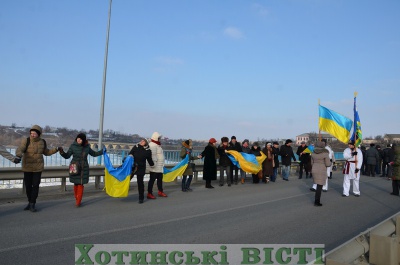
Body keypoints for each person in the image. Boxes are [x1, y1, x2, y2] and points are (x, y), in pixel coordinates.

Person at [15, 125, 59, 212]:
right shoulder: (26, 140)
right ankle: (29, 202)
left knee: (35, 186)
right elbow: (20, 149)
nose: (32, 135)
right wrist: (18, 155)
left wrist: (56, 149)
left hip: (38, 168)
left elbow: (46, 152)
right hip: (27, 167)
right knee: (28, 186)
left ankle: (32, 203)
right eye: (31, 133)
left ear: (39, 134)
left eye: (34, 133)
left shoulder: (42, 142)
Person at [59, 133, 103, 207]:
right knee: (75, 183)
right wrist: (62, 152)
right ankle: (77, 198)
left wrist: (102, 152)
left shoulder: (87, 147)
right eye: (78, 138)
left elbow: (94, 154)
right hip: (75, 167)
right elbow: (67, 156)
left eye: (80, 139)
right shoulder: (73, 146)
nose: (78, 140)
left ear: (83, 140)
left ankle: (78, 201)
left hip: (83, 168)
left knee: (80, 183)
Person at [128, 138, 154, 204]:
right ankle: (121, 192)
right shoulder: (136, 146)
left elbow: (149, 159)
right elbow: (130, 153)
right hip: (133, 166)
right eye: (141, 140)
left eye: (143, 141)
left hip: (141, 167)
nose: (141, 142)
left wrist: (152, 165)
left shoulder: (148, 151)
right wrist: (130, 156)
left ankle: (141, 198)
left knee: (140, 183)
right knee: (127, 179)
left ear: (146, 143)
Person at [147, 132, 167, 199]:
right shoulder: (152, 145)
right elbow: (152, 156)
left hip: (159, 166)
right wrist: (153, 165)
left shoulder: (157, 145)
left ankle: (160, 191)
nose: (160, 139)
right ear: (155, 138)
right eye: (159, 138)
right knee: (152, 181)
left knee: (159, 180)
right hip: (155, 167)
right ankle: (149, 193)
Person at [311, 141, 331, 206]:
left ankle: (316, 200)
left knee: (317, 185)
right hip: (321, 170)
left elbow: (311, 163)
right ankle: (317, 201)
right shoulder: (325, 153)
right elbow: (328, 164)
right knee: (319, 186)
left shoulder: (313, 153)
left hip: (314, 169)